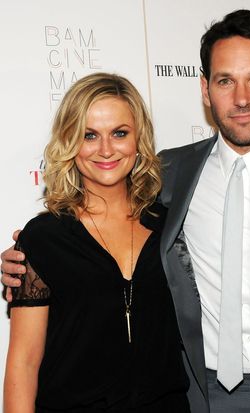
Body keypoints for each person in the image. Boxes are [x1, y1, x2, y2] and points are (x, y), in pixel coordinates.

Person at [2, 9, 250, 413]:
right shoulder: (173, 176)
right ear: (205, 90)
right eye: (225, 80)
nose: (241, 98)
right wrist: (27, 260)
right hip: (202, 396)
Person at [2, 72, 190, 413]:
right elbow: (24, 363)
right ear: (70, 142)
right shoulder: (44, 238)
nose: (106, 149)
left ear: (139, 139)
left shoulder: (172, 227)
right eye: (89, 135)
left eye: (119, 133)